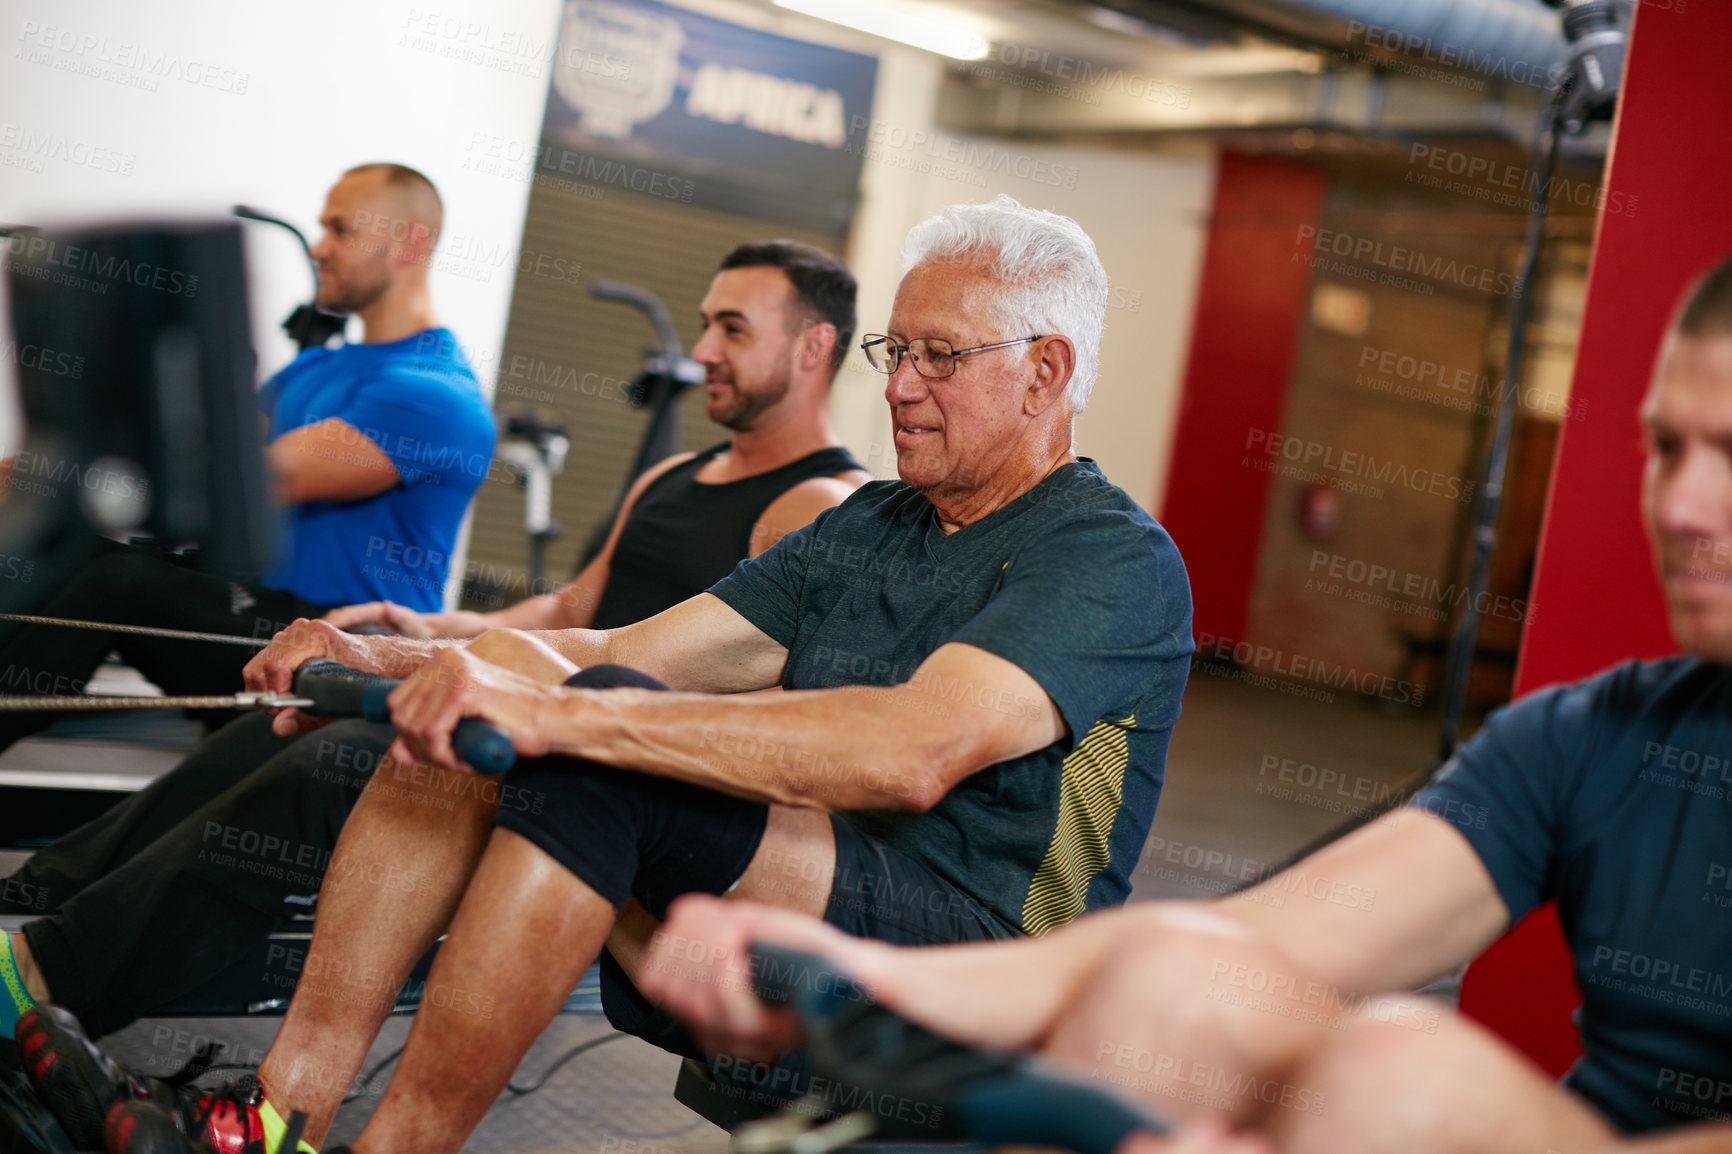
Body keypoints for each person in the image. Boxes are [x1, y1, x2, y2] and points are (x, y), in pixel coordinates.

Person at [37, 194, 1192, 1154]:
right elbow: (611, 647)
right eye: (897, 352)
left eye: (938, 357)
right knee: (492, 716)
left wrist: (558, 712)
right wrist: (385, 655)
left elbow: (910, 751)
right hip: (798, 885)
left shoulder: (1105, 556)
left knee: (583, 738)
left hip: (975, 968)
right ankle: (277, 1118)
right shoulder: (875, 526)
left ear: (1046, 372)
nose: (896, 385)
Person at [638, 257, 1732, 1153]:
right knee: (1169, 978)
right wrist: (862, 983)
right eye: (1665, 446)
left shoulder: (1108, 555)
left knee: (1394, 1067)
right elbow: (1248, 942)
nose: (1680, 503)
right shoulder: (1595, 734)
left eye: (1728, 452)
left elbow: (916, 748)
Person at [0, 239, 867, 1061]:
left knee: (348, 757)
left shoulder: (821, 504)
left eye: (734, 329)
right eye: (708, 321)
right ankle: (39, 908)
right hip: (530, 708)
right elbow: (570, 607)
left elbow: (764, 706)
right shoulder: (672, 476)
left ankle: (49, 980)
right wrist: (427, 633)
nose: (706, 348)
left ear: (813, 347)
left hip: (608, 769)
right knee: (287, 721)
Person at [0, 162, 495, 754]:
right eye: (321, 229)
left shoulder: (433, 392)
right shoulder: (314, 368)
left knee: (114, 580)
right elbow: (203, 455)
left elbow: (256, 478)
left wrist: (67, 471)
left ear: (410, 242)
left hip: (345, 650)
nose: (319, 248)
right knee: (79, 555)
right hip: (262, 619)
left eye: (340, 230)